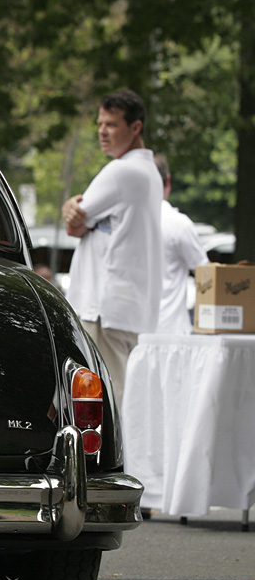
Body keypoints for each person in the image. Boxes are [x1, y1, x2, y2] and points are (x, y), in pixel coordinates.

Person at [61, 89, 162, 401]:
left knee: (102, 406)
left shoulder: (121, 171)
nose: (103, 132)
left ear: (135, 128)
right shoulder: (150, 172)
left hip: (103, 310)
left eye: (112, 125)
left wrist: (70, 204)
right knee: (121, 400)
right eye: (100, 124)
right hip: (129, 310)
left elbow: (74, 225)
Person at [153, 154, 208, 335]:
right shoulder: (179, 224)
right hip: (172, 331)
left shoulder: (122, 221)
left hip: (130, 333)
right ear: (167, 181)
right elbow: (206, 275)